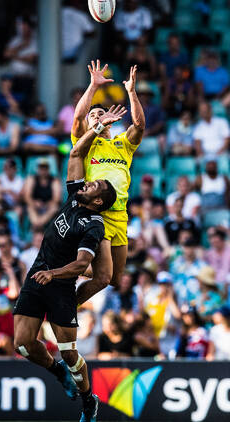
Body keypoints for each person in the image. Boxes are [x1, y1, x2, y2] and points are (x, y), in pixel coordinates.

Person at [13, 105, 122, 422]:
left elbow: (79, 265)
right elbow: (76, 154)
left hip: (58, 283)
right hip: (39, 274)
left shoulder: (93, 224)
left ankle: (89, 400)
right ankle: (54, 369)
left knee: (71, 354)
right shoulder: (75, 197)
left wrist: (53, 274)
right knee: (22, 345)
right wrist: (97, 127)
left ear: (99, 201)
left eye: (96, 186)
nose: (90, 183)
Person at [71, 61, 145, 306]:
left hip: (120, 214)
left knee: (114, 278)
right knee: (103, 277)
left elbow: (139, 126)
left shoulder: (122, 144)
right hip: (97, 212)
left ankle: (73, 265)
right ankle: (69, 304)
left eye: (101, 113)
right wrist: (93, 86)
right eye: (93, 115)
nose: (96, 117)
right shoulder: (86, 143)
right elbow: (79, 117)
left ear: (111, 120)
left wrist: (132, 93)